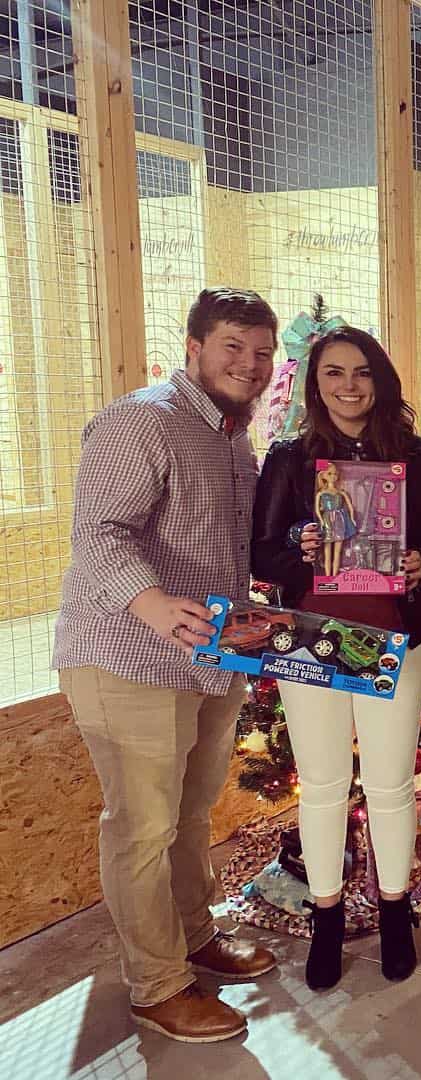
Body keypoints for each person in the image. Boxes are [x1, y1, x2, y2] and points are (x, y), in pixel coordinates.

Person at [52, 287, 280, 1043]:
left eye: (261, 351)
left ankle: (193, 938)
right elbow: (98, 533)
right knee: (142, 825)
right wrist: (149, 602)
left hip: (208, 658)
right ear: (194, 347)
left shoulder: (230, 437)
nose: (250, 364)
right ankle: (157, 985)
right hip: (129, 656)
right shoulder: (139, 420)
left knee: (188, 815)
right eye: (232, 348)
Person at [251, 326, 421, 990]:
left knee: (392, 785)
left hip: (393, 637)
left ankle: (395, 911)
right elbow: (262, 556)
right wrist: (299, 544)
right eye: (333, 373)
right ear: (315, 383)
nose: (348, 386)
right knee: (325, 784)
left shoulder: (417, 458)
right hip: (314, 637)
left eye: (361, 372)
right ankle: (329, 919)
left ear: (380, 379)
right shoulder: (289, 459)